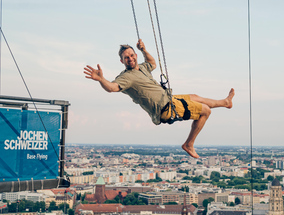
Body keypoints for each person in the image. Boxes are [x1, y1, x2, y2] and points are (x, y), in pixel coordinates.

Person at [83, 39, 234, 158]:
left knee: (195, 97)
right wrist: (101, 79)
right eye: (126, 58)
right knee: (206, 111)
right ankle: (189, 144)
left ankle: (225, 102)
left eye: (131, 55)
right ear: (122, 61)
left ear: (135, 56)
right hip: (165, 108)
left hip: (169, 99)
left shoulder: (141, 67)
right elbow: (112, 88)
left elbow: (152, 63)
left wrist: (143, 50)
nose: (129, 59)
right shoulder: (126, 77)